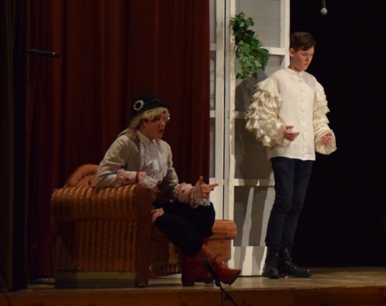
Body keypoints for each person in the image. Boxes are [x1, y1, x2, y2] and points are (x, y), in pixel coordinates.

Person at [95, 92, 240, 286]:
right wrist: (136, 177)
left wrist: (193, 193)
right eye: (157, 119)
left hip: (161, 204)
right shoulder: (125, 143)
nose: (163, 123)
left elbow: (171, 186)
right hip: (139, 209)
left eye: (164, 119)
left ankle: (192, 268)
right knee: (178, 224)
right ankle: (215, 266)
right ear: (142, 122)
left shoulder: (164, 148)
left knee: (205, 209)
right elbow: (101, 178)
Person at [245, 31, 336, 279]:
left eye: (311, 55)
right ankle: (271, 259)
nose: (308, 59)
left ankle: (286, 258)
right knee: (284, 201)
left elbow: (318, 117)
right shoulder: (277, 80)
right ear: (292, 52)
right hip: (284, 150)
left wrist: (323, 134)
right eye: (304, 54)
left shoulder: (313, 82)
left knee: (296, 204)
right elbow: (261, 116)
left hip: (305, 153)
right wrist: (279, 130)